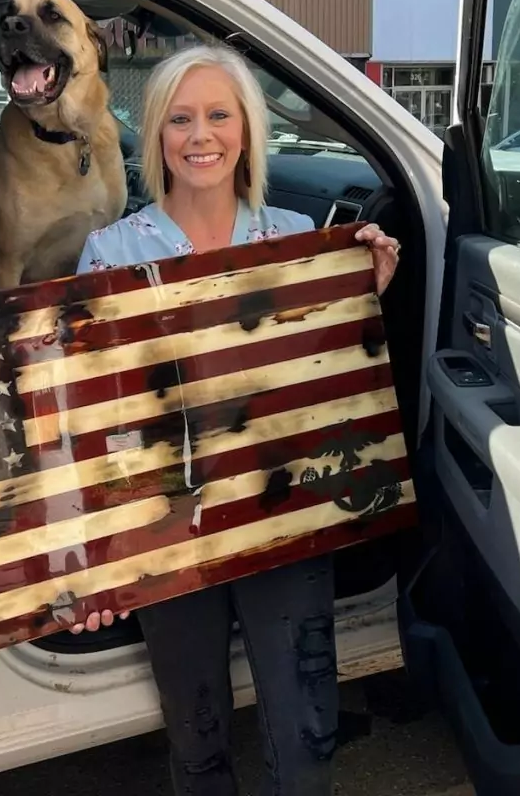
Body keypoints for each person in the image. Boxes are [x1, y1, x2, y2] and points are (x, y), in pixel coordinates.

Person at [68, 42, 401, 796]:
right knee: (197, 742)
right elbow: (101, 418)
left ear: (247, 130)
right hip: (168, 524)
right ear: (157, 134)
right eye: (180, 118)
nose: (201, 136)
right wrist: (96, 558)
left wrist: (360, 296)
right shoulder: (110, 253)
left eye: (219, 115)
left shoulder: (296, 236)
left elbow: (320, 385)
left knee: (307, 737)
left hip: (282, 516)